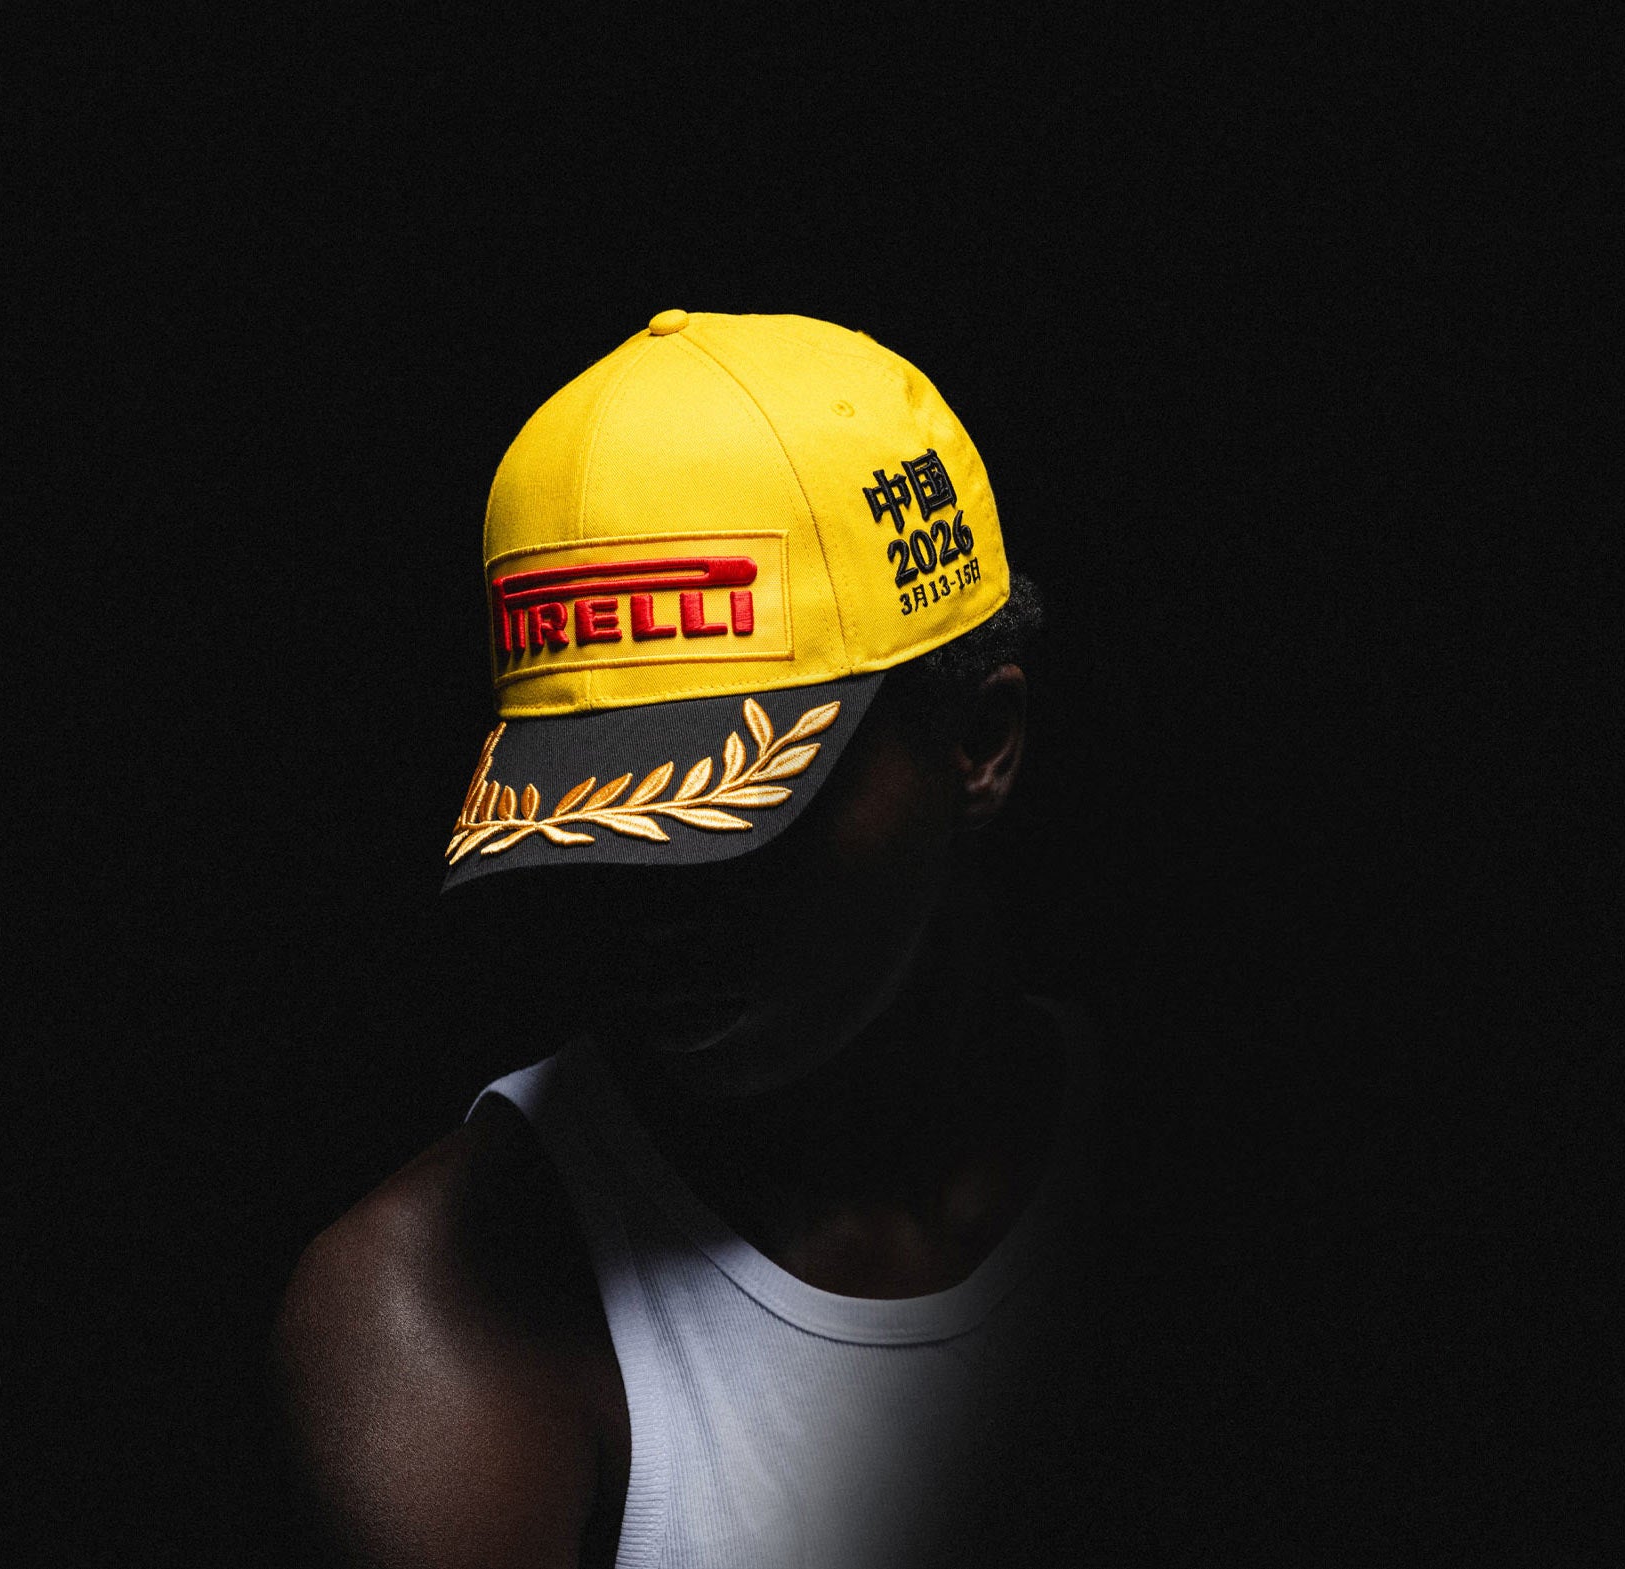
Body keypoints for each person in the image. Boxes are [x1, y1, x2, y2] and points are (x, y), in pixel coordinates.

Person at [276, 310, 1085, 1567]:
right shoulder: (437, 1311)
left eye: (737, 814)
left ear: (978, 745)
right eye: (592, 822)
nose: (649, 912)